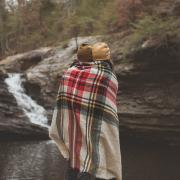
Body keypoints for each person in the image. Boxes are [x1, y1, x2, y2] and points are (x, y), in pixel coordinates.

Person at [49, 42, 122, 180]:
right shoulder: (107, 75)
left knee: (75, 160)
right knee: (94, 163)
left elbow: (64, 102)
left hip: (74, 127)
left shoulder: (70, 72)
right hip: (98, 128)